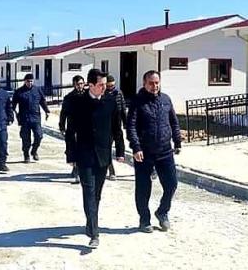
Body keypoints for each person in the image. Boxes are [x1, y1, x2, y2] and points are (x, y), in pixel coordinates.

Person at [64, 69, 124, 249]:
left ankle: (90, 223)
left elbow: (117, 128)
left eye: (105, 84)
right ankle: (94, 233)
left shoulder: (110, 101)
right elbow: (70, 131)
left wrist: (120, 150)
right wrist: (71, 155)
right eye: (101, 85)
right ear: (90, 85)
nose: (104, 88)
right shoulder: (77, 103)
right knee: (89, 192)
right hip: (84, 156)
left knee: (96, 194)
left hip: (103, 155)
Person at [127, 70, 181, 233]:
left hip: (165, 150)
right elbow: (131, 126)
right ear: (144, 84)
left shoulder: (166, 99)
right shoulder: (137, 102)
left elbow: (174, 122)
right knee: (143, 188)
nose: (154, 86)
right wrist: (136, 147)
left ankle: (162, 212)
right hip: (144, 152)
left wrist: (177, 141)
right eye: (151, 83)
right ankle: (144, 220)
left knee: (171, 184)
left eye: (157, 83)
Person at [12, 73, 50, 163]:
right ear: (25, 81)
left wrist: (47, 111)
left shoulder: (37, 90)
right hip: (24, 118)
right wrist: (14, 114)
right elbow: (13, 105)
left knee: (39, 136)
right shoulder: (19, 91)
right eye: (28, 81)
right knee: (25, 138)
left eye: (31, 81)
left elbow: (42, 101)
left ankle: (34, 150)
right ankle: (26, 155)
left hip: (35, 118)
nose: (30, 83)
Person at [59, 74, 86, 183]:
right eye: (78, 84)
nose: (80, 86)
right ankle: (76, 169)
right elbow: (63, 113)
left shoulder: (88, 95)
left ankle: (80, 169)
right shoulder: (69, 97)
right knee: (73, 149)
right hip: (73, 127)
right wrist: (62, 126)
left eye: (81, 83)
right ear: (74, 85)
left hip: (85, 127)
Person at [104, 75, 126, 180]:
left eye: (112, 86)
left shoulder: (119, 93)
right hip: (106, 123)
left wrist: (125, 122)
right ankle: (111, 170)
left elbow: (123, 107)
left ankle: (120, 155)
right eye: (108, 86)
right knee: (106, 148)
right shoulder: (103, 93)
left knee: (119, 139)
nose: (110, 88)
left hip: (117, 122)